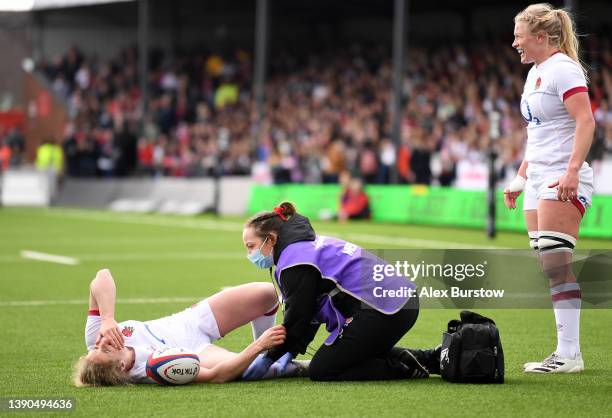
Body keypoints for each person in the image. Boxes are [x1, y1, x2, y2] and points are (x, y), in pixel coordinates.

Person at [241, 202, 440, 381]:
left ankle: (401, 367)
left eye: (252, 247)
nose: (250, 254)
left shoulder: (294, 261)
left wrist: (269, 357)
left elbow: (299, 316)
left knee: (323, 370)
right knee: (346, 355)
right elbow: (310, 310)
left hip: (384, 309)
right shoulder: (303, 245)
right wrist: (291, 351)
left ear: (272, 239)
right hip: (399, 301)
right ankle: (430, 359)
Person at [505, 3, 595, 373]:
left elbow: (586, 121)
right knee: (548, 265)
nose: (515, 44)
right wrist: (521, 175)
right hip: (539, 176)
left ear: (541, 37)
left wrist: (573, 171)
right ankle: (565, 350)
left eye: (519, 36)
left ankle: (570, 354)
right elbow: (538, 134)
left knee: (557, 264)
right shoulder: (536, 73)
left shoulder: (563, 69)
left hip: (562, 175)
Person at [74, 269, 308, 386]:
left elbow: (102, 275)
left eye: (95, 347)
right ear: (123, 366)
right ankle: (291, 367)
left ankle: (269, 356)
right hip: (196, 352)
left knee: (266, 294)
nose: (101, 342)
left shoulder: (99, 334)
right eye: (104, 350)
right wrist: (259, 346)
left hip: (190, 321)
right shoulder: (153, 371)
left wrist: (107, 318)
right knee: (244, 371)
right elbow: (217, 376)